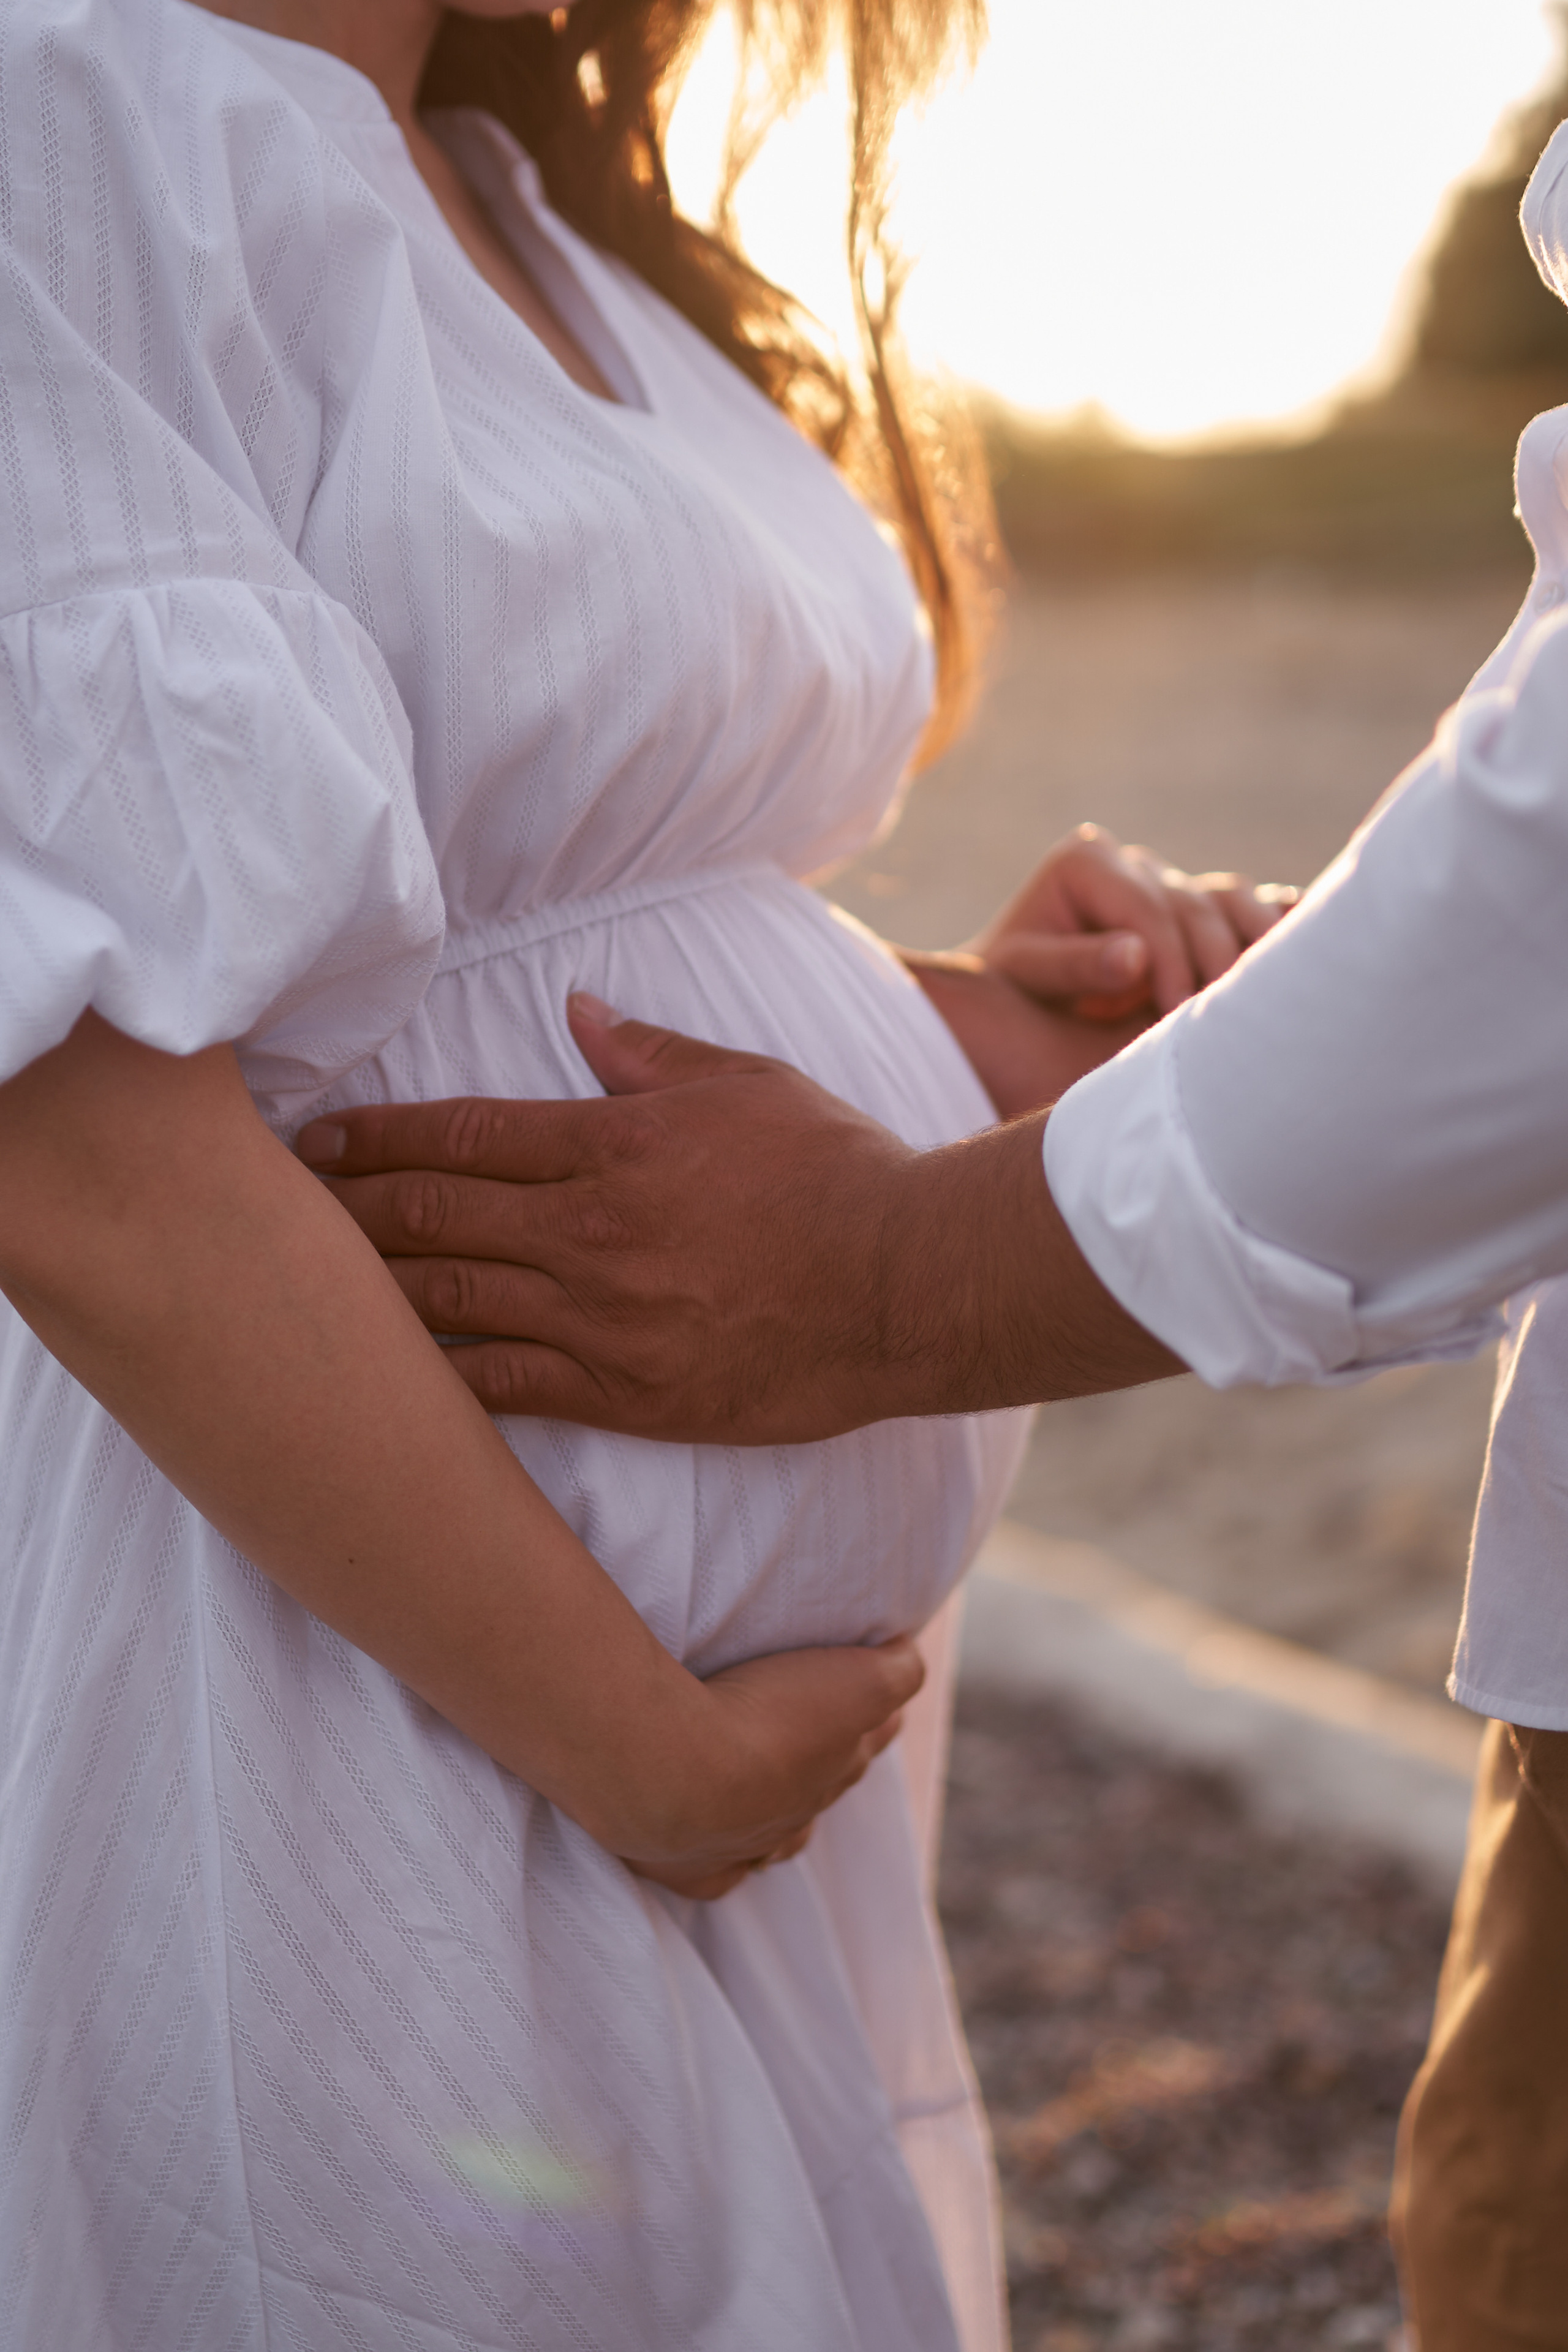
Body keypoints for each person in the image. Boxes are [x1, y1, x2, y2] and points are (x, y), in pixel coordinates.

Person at [0, 1, 1289, 2343]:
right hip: (346, 1676)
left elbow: (497, 925)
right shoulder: (51, 101)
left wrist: (945, 1027)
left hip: (662, 1752)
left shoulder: (508, 182)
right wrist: (637, 1742)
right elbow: (75, 1136)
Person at [300, 96, 1568, 2352]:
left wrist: (895, 1263)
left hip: (676, 1797)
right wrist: (955, 1036)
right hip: (386, 1715)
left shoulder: (497, 172)